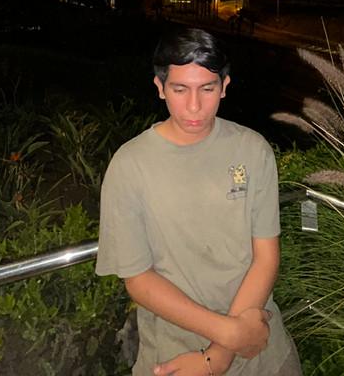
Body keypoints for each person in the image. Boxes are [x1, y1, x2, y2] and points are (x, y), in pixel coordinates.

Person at [96, 27, 302, 375]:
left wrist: (218, 356)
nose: (194, 106)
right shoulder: (130, 165)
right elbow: (139, 280)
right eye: (180, 89)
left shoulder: (252, 150)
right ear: (160, 87)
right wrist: (228, 336)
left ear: (224, 86)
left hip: (263, 348)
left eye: (207, 89)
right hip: (175, 357)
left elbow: (266, 257)